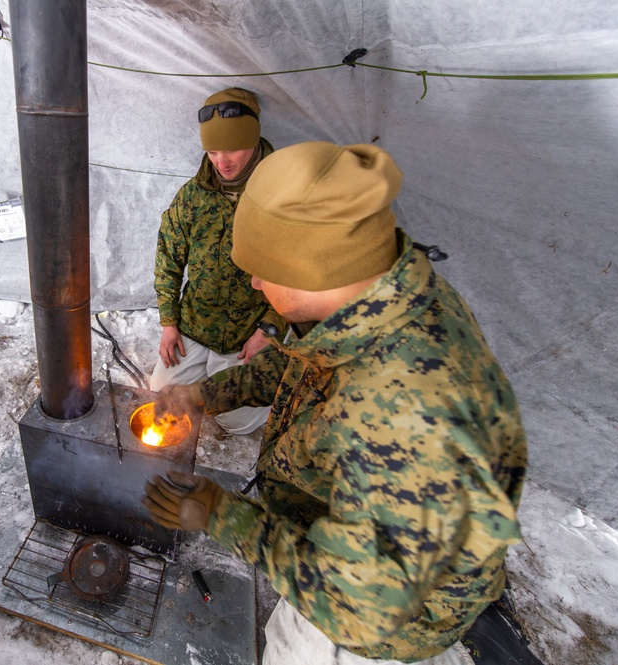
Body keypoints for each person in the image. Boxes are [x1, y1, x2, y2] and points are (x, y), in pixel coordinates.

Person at [144, 142, 544, 664]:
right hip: (347, 529)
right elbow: (302, 363)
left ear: (309, 269)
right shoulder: (379, 296)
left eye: (264, 270)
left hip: (378, 623)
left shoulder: (409, 415)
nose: (254, 283)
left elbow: (355, 607)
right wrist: (203, 393)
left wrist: (222, 514)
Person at [150, 87, 286, 435]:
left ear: (254, 141)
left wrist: (270, 328)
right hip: (196, 324)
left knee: (236, 421)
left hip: (248, 332)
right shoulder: (194, 196)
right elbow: (168, 255)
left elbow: (301, 276)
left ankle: (269, 378)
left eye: (233, 150)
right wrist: (169, 321)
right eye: (212, 151)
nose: (221, 162)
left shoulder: (282, 197)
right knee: (160, 396)